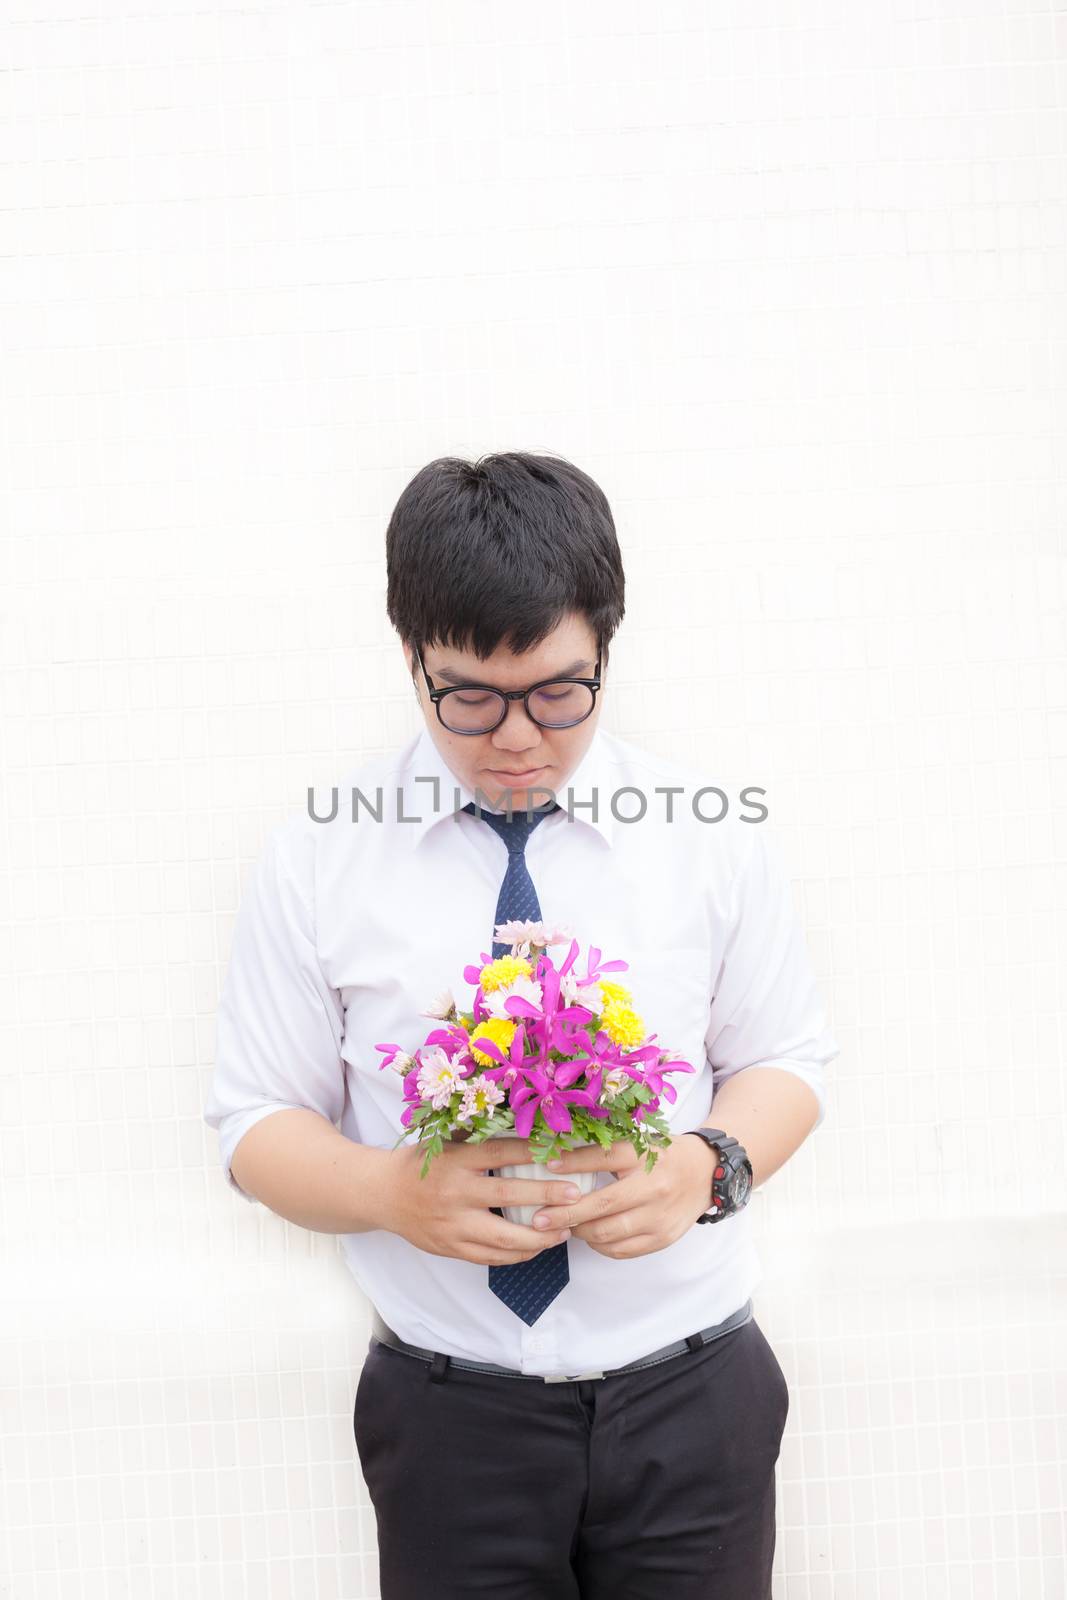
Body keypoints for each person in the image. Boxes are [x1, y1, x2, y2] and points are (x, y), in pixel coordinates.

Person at [204, 451, 839, 1600]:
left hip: (692, 1400)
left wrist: (709, 1163)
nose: (515, 739)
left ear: (605, 648)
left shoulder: (708, 838)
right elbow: (255, 1121)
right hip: (452, 1422)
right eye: (468, 698)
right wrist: (392, 1193)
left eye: (557, 692)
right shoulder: (317, 857)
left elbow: (783, 1060)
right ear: (409, 657)